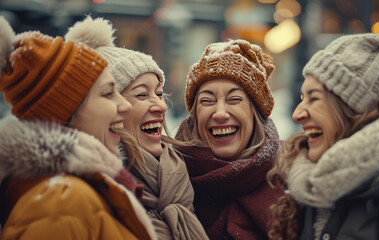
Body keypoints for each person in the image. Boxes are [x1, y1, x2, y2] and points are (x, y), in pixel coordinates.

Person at [0, 16, 157, 240]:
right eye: (107, 93)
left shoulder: (68, 193)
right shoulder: (61, 201)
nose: (124, 105)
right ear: (65, 112)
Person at [267, 33, 379, 240]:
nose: (297, 114)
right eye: (301, 97)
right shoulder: (308, 188)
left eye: (314, 98)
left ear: (357, 110)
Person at [64, 16, 209, 240]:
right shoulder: (88, 192)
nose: (161, 105)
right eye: (141, 94)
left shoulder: (186, 174)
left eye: (159, 94)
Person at [173, 39, 285, 240]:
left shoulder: (293, 177)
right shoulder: (169, 179)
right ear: (195, 115)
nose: (220, 113)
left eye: (234, 99)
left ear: (255, 112)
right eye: (207, 101)